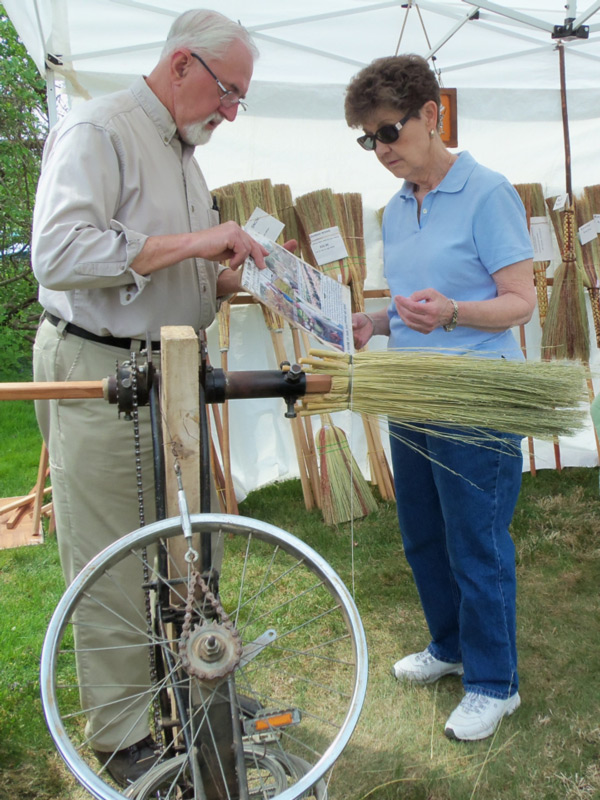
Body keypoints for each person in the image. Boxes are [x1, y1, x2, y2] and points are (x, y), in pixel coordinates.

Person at [32, 9, 288, 786]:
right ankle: (122, 736)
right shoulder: (99, 130)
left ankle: (198, 685)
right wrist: (200, 243)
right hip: (103, 369)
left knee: (191, 545)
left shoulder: (184, 151)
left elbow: (165, 266)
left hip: (174, 370)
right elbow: (62, 249)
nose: (231, 111)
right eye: (228, 92)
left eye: (240, 97)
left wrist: (230, 278)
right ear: (183, 66)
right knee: (110, 555)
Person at [344, 55, 536, 741]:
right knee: (423, 534)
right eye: (370, 139)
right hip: (413, 390)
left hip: (477, 396)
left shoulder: (488, 193)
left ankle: (495, 683)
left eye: (390, 131)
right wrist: (378, 321)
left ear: (433, 114)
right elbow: (413, 307)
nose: (383, 150)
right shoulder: (395, 209)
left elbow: (520, 303)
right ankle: (451, 647)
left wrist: (454, 311)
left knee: (476, 542)